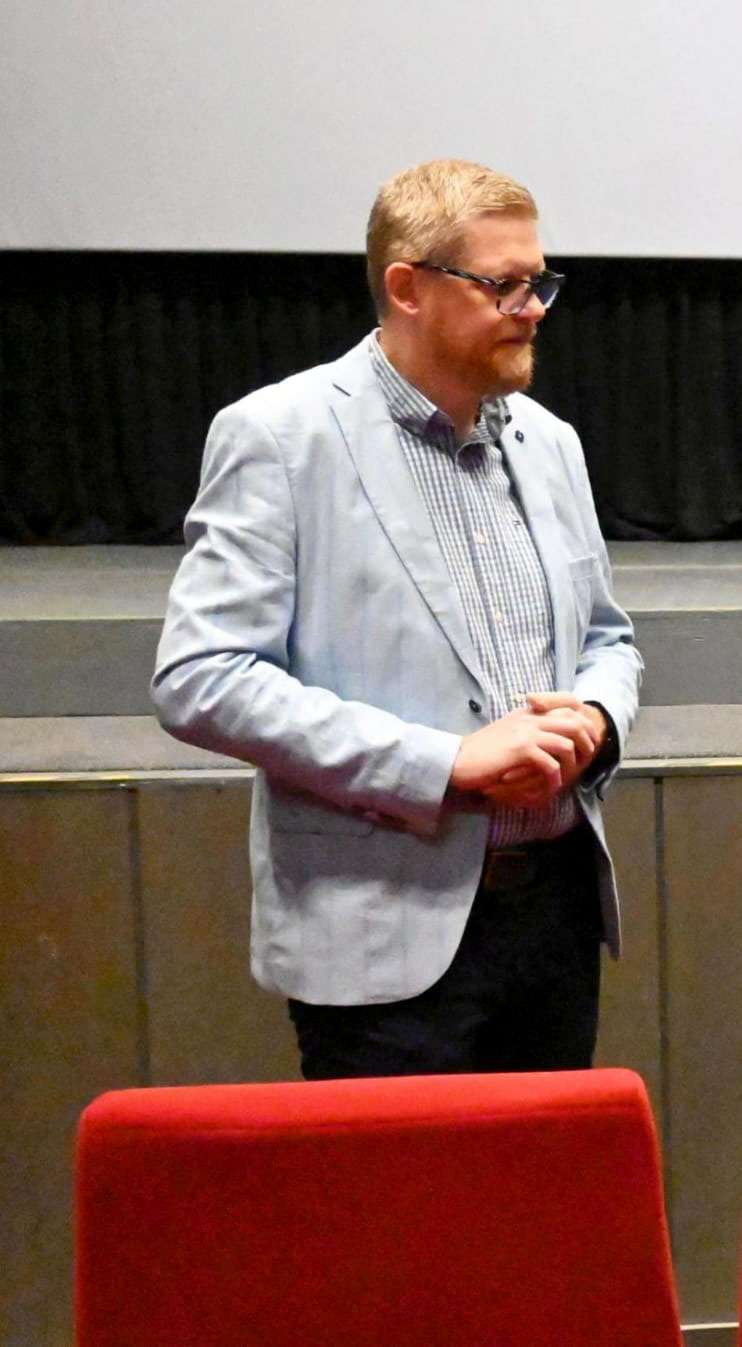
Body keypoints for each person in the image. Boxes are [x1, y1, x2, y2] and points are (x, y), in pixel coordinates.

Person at [153, 158, 642, 1080]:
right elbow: (201, 678)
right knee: (400, 1184)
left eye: (541, 283)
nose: (533, 308)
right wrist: (445, 764)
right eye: (503, 285)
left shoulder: (552, 443)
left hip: (554, 925)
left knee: (547, 1180)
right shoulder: (280, 436)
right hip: (382, 939)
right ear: (408, 287)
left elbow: (606, 638)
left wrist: (596, 717)